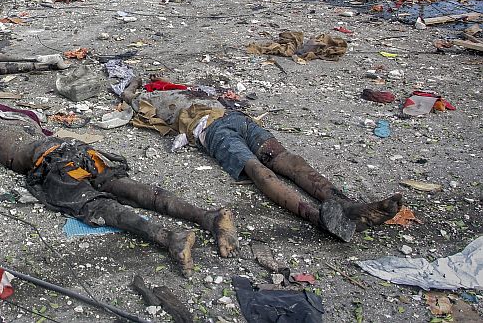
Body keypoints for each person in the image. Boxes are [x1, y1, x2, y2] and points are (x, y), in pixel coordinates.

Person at [0, 105, 240, 273]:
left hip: (52, 163)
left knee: (96, 207)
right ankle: (208, 217)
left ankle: (169, 237)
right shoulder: (22, 118)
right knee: (126, 187)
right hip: (76, 149)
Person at [120, 80, 402, 243]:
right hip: (211, 130)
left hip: (236, 119)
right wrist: (135, 86)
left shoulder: (183, 89)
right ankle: (319, 218)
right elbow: (129, 92)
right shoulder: (145, 99)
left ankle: (348, 205)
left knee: (288, 160)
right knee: (260, 172)